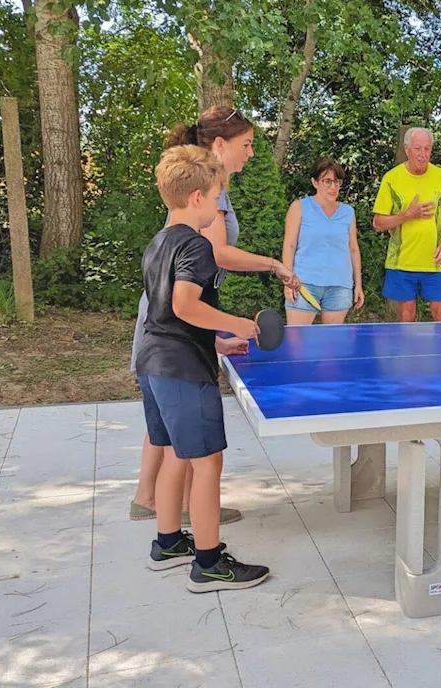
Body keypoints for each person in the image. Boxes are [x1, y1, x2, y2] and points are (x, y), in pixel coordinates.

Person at [128, 106, 301, 524]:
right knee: (186, 426)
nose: (251, 153)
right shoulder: (210, 191)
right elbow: (216, 252)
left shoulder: (197, 187)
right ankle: (191, 512)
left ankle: (150, 500)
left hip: (160, 314)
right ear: (219, 145)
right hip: (177, 317)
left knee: (166, 416)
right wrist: (272, 265)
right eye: (247, 145)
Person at [137, 144, 270, 589]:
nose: (218, 205)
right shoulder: (197, 245)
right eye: (215, 197)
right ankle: (210, 562)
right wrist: (242, 325)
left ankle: (169, 541)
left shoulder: (159, 241)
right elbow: (185, 305)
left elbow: (165, 312)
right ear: (196, 198)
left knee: (177, 452)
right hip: (181, 367)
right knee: (207, 462)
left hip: (153, 361)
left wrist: (219, 341)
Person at [372, 127, 441, 322]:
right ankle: (405, 353)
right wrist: (407, 215)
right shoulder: (392, 179)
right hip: (402, 262)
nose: (423, 154)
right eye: (418, 148)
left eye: (427, 149)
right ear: (407, 149)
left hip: (436, 262)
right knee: (406, 314)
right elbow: (378, 223)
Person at [281, 158, 365, 325]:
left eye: (337, 181)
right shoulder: (299, 207)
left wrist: (358, 285)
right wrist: (288, 281)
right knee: (298, 343)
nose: (333, 187)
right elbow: (289, 245)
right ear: (314, 182)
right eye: (327, 181)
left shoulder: (348, 212)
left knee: (332, 346)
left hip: (340, 285)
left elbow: (353, 249)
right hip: (303, 283)